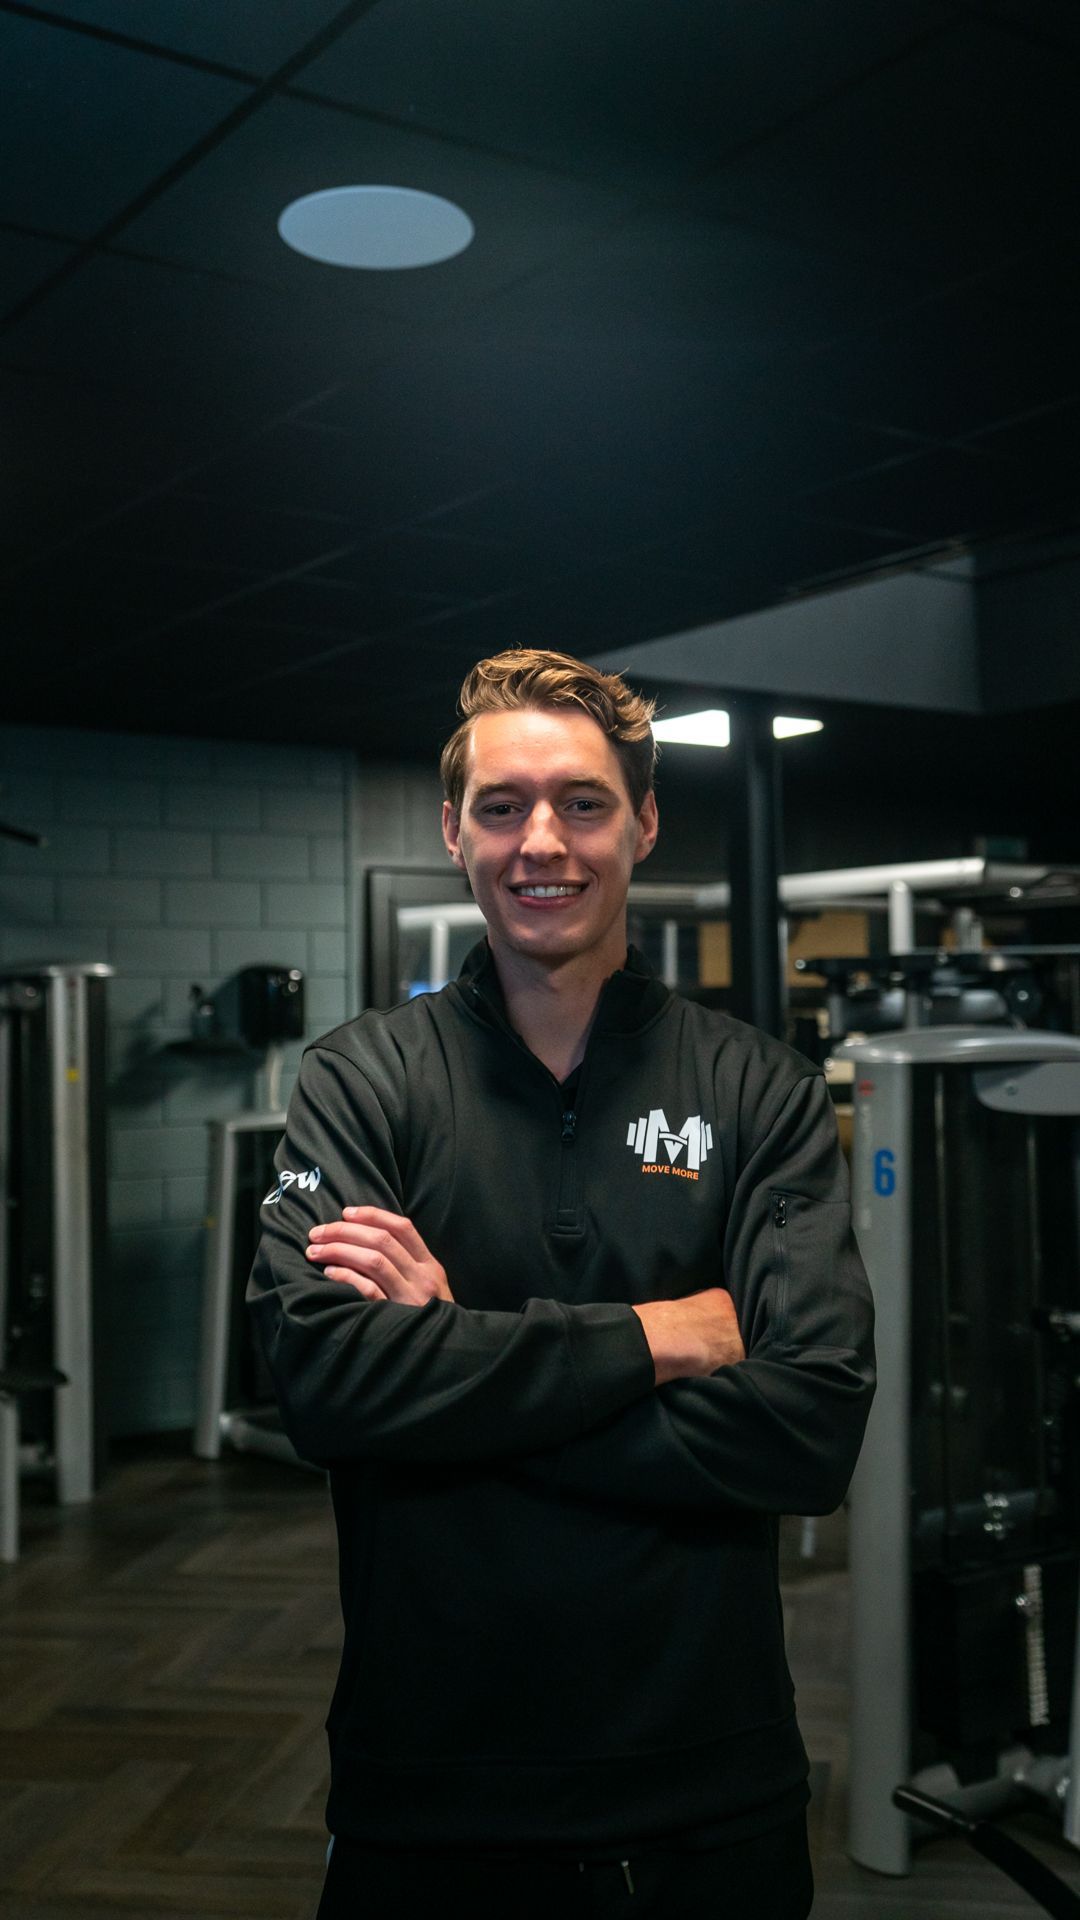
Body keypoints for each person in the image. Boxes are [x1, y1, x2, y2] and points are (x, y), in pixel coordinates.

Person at [248, 649, 875, 1920]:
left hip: (711, 1795)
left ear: (644, 821)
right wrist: (656, 1337)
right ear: (452, 829)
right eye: (502, 806)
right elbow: (323, 1385)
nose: (544, 842)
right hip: (430, 1792)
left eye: (584, 803)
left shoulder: (760, 1091)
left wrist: (452, 1363)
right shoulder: (361, 1082)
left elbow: (809, 1428)